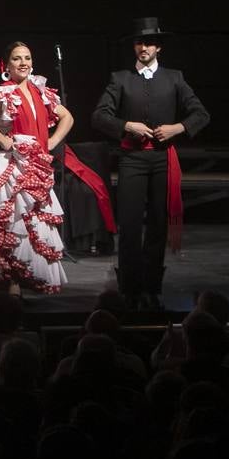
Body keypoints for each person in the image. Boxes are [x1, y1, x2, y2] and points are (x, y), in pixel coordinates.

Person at [91, 17, 210, 310]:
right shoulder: (120, 78)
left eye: (148, 43)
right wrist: (126, 125)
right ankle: (129, 287)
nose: (142, 47)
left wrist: (177, 128)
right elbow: (99, 116)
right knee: (130, 225)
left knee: (157, 224)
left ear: (158, 47)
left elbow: (200, 114)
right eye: (138, 42)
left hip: (161, 159)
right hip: (132, 158)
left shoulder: (174, 78)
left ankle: (152, 285)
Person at [0, 42, 73, 296]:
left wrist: (50, 143)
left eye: (27, 57)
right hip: (13, 166)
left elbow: (67, 117)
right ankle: (11, 282)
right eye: (17, 58)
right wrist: (4, 141)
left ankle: (27, 276)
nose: (24, 62)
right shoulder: (2, 92)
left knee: (33, 223)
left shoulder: (41, 92)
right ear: (6, 65)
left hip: (37, 167)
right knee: (13, 222)